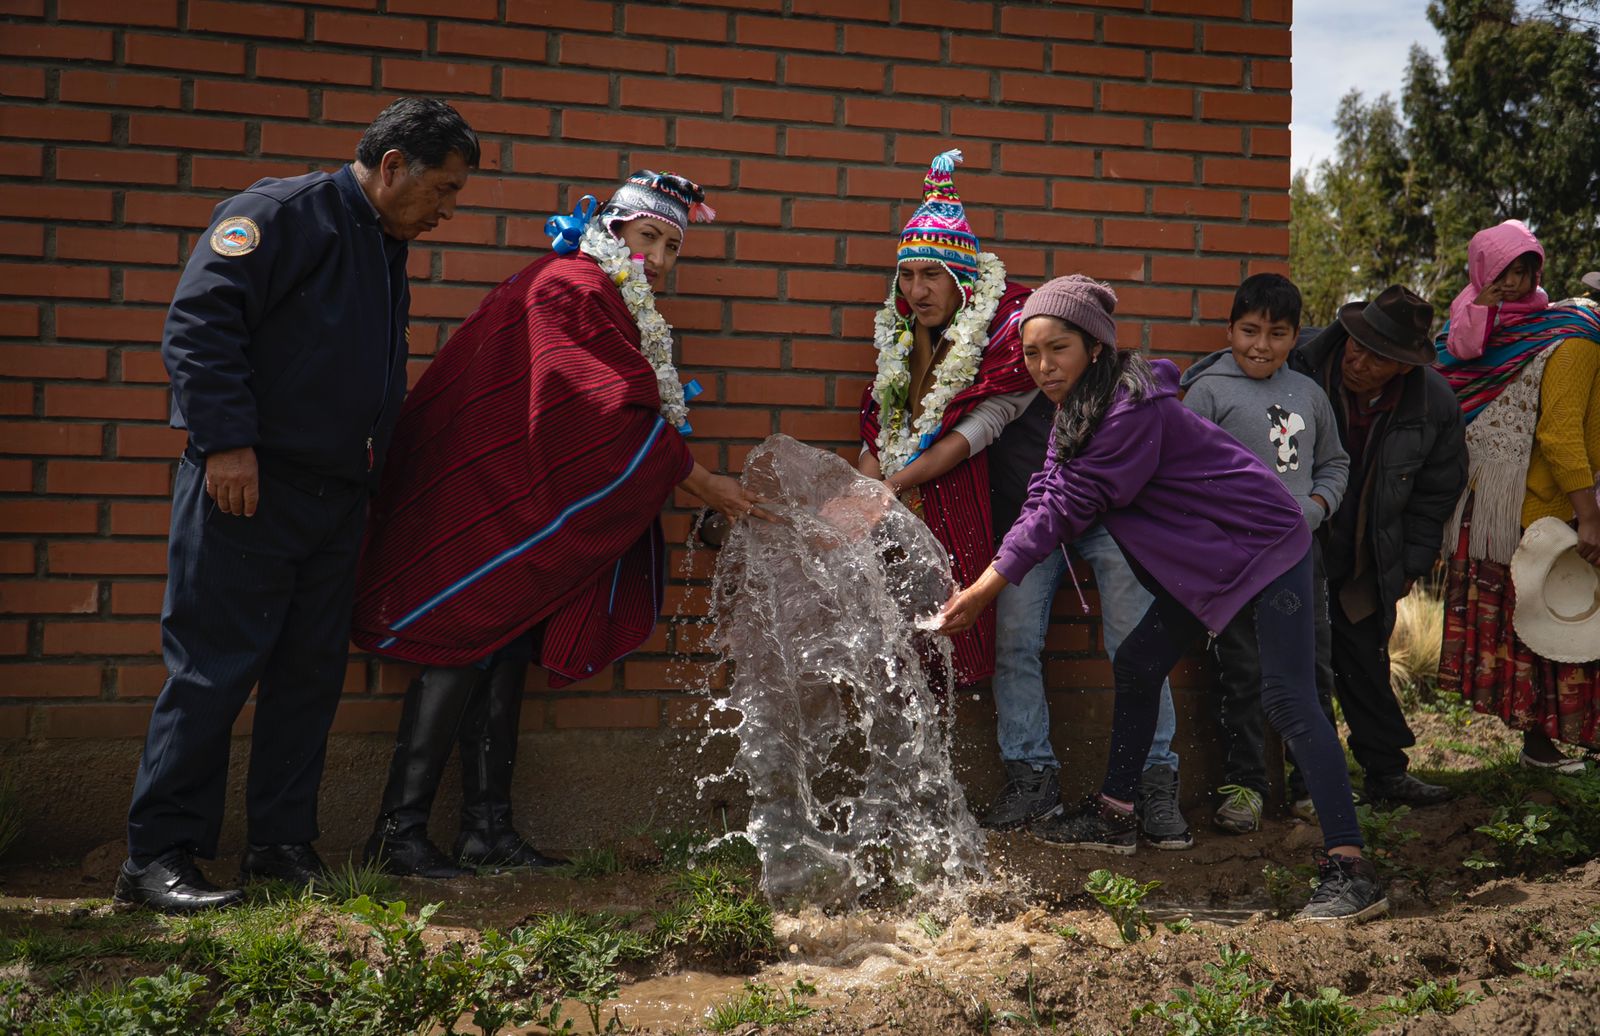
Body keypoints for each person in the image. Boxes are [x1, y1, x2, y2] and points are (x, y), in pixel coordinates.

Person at [117, 98, 479, 913]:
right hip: (248, 488)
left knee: (308, 678)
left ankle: (280, 847)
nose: (448, 212)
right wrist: (226, 442)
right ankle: (156, 858)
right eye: (444, 191)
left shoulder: (385, 242)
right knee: (211, 671)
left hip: (334, 498)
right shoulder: (275, 215)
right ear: (393, 167)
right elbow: (199, 325)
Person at [350, 171, 766, 878]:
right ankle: (397, 837)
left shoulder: (600, 293)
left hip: (509, 495)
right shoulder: (569, 286)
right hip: (481, 493)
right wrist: (701, 482)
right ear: (611, 231)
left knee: (502, 646)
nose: (660, 260)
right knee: (461, 637)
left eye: (673, 247)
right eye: (648, 239)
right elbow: (601, 408)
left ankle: (486, 833)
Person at [938, 275, 1385, 923]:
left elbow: (1064, 505)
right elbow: (1046, 488)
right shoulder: (1079, 408)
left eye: (1056, 349)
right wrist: (988, 581)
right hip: (1211, 562)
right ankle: (1118, 814)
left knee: (1287, 698)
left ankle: (1350, 865)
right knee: (1141, 663)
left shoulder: (1127, 411)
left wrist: (983, 590)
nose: (1042, 366)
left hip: (1266, 544)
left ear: (1093, 348)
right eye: (1031, 354)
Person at [856, 149, 1034, 688]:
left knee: (994, 648)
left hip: (999, 506)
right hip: (903, 500)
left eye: (931, 275)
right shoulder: (903, 334)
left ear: (962, 275)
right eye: (906, 276)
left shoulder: (1006, 329)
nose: (916, 291)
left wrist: (890, 486)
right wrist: (861, 496)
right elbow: (879, 423)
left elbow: (978, 427)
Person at [984, 394, 1191, 850]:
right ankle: (1032, 777)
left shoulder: (1116, 386)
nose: (1044, 361)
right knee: (1014, 639)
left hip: (1108, 519)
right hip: (1032, 521)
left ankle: (1153, 779)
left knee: (1138, 647)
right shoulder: (995, 363)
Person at [1180, 273, 1349, 833]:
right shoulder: (1207, 393)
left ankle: (1312, 787)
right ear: (1228, 329)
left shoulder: (1310, 394)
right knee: (1241, 670)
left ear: (1295, 336)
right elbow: (1183, 471)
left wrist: (1316, 507)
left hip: (1300, 556)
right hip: (1234, 560)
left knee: (1310, 669)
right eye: (1249, 330)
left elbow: (1334, 463)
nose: (1260, 345)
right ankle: (1247, 786)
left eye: (1276, 334)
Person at [1288, 285, 1467, 807]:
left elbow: (1437, 494)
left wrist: (1410, 564)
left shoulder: (1435, 404)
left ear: (1404, 368)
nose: (1358, 361)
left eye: (1377, 357)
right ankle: (1306, 779)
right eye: (1356, 344)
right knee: (1305, 661)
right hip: (1302, 542)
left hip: (1369, 552)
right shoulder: (1304, 366)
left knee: (1365, 659)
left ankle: (1386, 773)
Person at [1435, 220, 1600, 769]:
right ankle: (1540, 745)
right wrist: (1588, 515)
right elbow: (1558, 433)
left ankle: (1554, 742)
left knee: (1556, 631)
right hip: (1529, 509)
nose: (1516, 283)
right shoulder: (1580, 341)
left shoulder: (1563, 325)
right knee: (1543, 631)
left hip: (1539, 505)